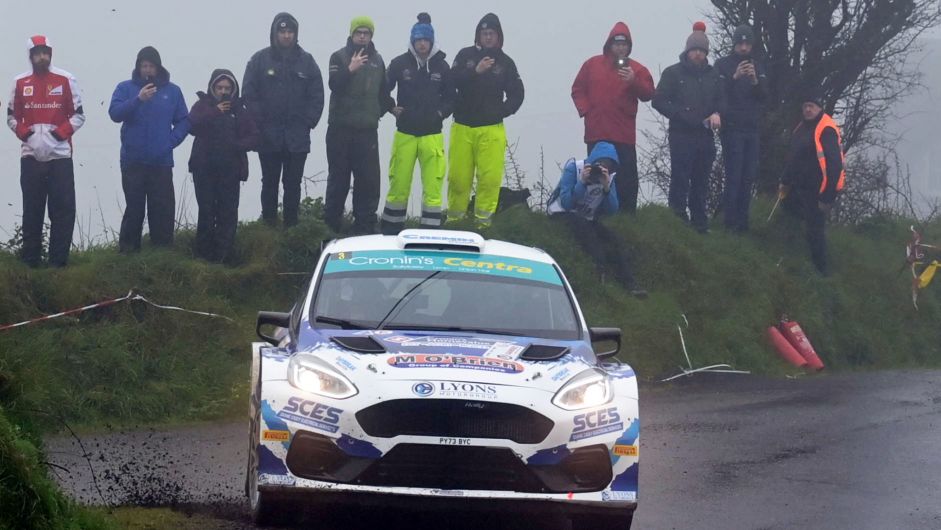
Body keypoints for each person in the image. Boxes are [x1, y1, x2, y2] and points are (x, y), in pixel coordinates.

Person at [6, 35, 85, 267]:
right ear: (30, 56)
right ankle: (31, 263)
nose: (42, 57)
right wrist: (26, 134)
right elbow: (11, 117)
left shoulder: (66, 79)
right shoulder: (20, 82)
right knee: (32, 210)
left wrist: (59, 134)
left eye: (46, 52)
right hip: (30, 157)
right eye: (38, 53)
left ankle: (58, 264)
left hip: (60, 156)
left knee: (62, 210)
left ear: (51, 53)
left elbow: (79, 115)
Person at [242, 12, 324, 228]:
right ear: (275, 33)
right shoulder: (259, 60)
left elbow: (317, 94)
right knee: (269, 183)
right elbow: (248, 93)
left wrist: (308, 121)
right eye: (282, 31)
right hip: (268, 136)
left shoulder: (307, 61)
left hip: (297, 137)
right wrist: (259, 122)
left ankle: (291, 227)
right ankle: (268, 226)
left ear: (296, 34)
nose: (286, 36)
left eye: (290, 32)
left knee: (292, 184)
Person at [109, 46, 189, 252]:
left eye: (151, 66)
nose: (147, 70)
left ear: (158, 68)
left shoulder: (173, 91)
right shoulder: (125, 88)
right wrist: (138, 100)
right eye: (143, 66)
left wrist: (170, 142)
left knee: (162, 210)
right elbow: (115, 113)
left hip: (161, 162)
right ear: (138, 67)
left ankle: (161, 253)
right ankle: (128, 253)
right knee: (134, 209)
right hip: (132, 161)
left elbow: (183, 121)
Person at [448, 13, 524, 228]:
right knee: (458, 180)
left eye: (492, 33)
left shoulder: (506, 63)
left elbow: (518, 93)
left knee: (489, 181)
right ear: (478, 36)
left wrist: (502, 111)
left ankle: (483, 226)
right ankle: (455, 223)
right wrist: (475, 71)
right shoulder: (465, 56)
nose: (488, 37)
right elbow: (451, 81)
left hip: (491, 129)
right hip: (463, 127)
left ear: (498, 36)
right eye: (484, 34)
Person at [381, 12, 454, 235]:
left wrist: (440, 113)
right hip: (405, 133)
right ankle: (391, 231)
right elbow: (382, 89)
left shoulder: (442, 66)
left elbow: (452, 97)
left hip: (432, 134)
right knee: (399, 185)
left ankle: (430, 233)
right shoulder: (399, 63)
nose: (422, 44)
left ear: (431, 41)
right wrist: (391, 107)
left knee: (433, 187)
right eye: (418, 40)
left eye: (425, 40)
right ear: (413, 41)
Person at [571, 22, 655, 214]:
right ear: (609, 44)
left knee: (626, 177)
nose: (620, 48)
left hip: (623, 134)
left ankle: (627, 216)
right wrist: (586, 110)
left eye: (624, 44)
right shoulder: (591, 65)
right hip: (597, 132)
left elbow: (649, 93)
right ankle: (594, 212)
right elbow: (577, 89)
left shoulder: (637, 70)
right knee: (596, 175)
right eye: (617, 44)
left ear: (629, 47)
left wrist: (633, 81)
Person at [324, 16, 395, 234]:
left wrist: (389, 107)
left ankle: (364, 228)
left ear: (371, 36)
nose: (362, 36)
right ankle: (331, 227)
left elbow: (383, 92)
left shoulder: (378, 60)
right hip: (340, 129)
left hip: (367, 131)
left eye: (366, 33)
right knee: (339, 180)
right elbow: (334, 85)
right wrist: (350, 69)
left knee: (368, 181)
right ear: (352, 34)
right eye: (359, 32)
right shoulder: (338, 57)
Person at [547, 142, 647, 298]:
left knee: (614, 239)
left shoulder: (609, 178)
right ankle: (599, 275)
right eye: (599, 164)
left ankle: (629, 283)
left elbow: (612, 210)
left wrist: (607, 188)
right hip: (563, 213)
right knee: (587, 234)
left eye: (607, 165)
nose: (601, 169)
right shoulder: (574, 168)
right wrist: (582, 183)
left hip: (587, 217)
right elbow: (566, 202)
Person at [652, 22, 723, 234]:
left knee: (701, 179)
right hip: (681, 134)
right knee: (680, 177)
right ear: (687, 50)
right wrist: (680, 114)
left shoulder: (714, 75)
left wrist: (718, 114)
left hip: (705, 134)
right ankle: (677, 219)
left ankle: (700, 222)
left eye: (702, 51)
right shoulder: (673, 73)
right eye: (695, 50)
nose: (698, 55)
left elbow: (722, 100)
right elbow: (659, 100)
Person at [187, 69, 260, 263]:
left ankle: (224, 257)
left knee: (228, 213)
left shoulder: (239, 111)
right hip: (204, 168)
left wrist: (236, 146)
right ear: (212, 87)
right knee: (207, 211)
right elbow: (192, 125)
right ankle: (203, 256)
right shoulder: (202, 105)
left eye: (227, 87)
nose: (223, 91)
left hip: (231, 169)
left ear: (233, 89)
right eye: (219, 87)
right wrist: (215, 111)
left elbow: (254, 136)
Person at [779, 95, 845, 275]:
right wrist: (784, 181)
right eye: (805, 106)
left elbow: (834, 165)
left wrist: (827, 196)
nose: (808, 110)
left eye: (812, 106)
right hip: (798, 186)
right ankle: (793, 254)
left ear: (819, 108)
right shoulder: (801, 128)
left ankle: (821, 271)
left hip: (818, 189)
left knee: (815, 231)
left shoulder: (826, 129)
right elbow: (793, 158)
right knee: (790, 213)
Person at [715, 24, 768, 232]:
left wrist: (755, 80)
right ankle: (730, 223)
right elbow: (717, 93)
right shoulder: (722, 65)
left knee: (748, 177)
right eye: (740, 43)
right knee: (734, 176)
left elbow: (765, 97)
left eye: (747, 43)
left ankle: (743, 224)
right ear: (735, 44)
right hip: (732, 128)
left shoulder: (759, 66)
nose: (744, 47)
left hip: (752, 128)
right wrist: (734, 77)